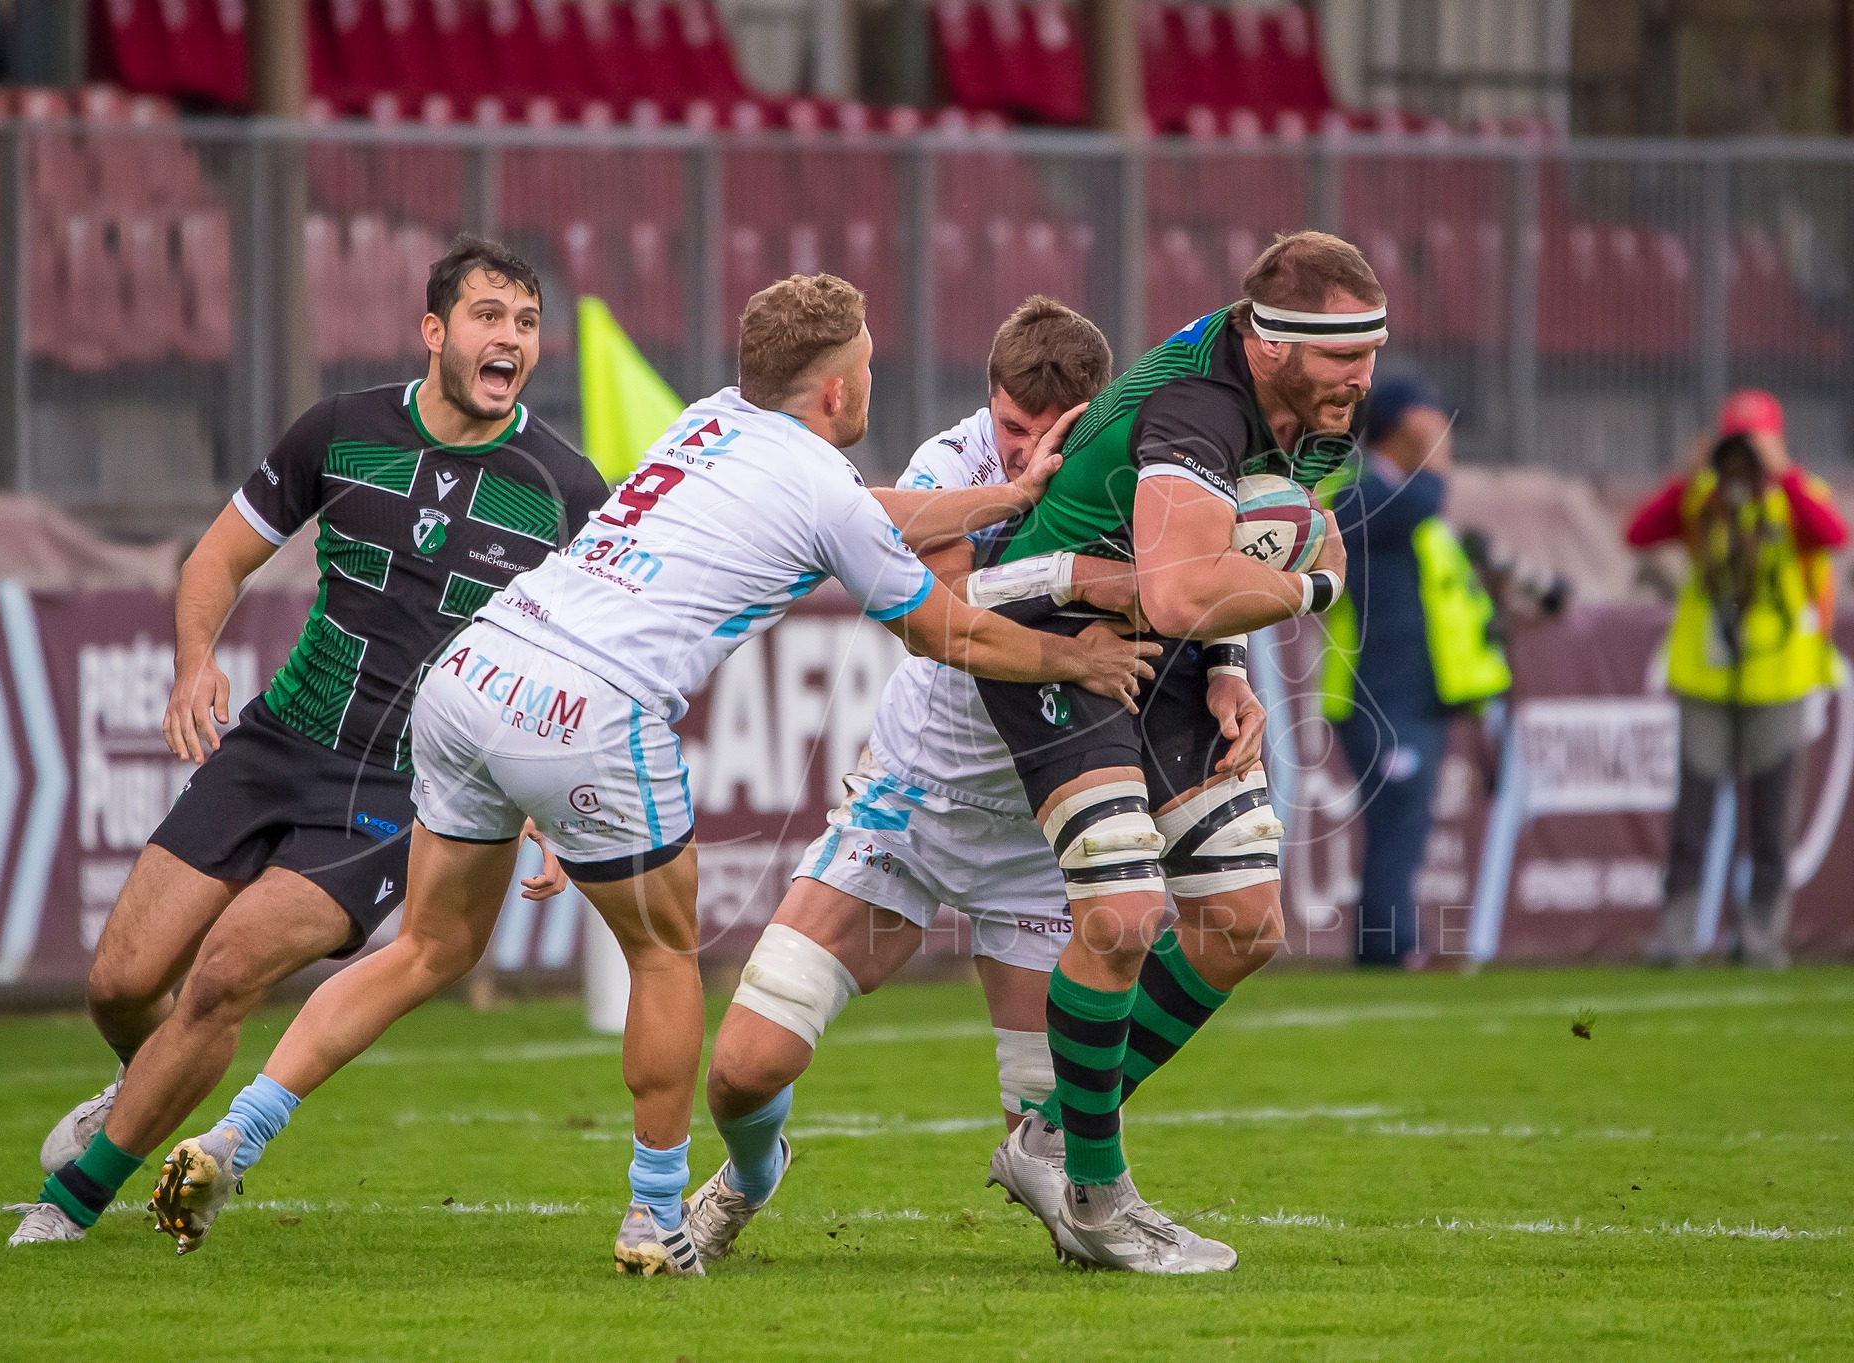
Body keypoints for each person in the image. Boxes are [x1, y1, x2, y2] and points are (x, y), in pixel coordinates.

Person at [150, 274, 1158, 1276]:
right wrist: (1074, 656)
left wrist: (1006, 497)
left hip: (473, 668)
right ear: (837, 390)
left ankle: (238, 1133)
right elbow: (942, 631)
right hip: (593, 708)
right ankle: (655, 1214)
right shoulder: (821, 483)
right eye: (860, 368)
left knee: (426, 946)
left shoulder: (708, 418)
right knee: (664, 958)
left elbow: (868, 512)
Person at [7, 237, 606, 1246]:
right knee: (120, 982)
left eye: (527, 322)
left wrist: (548, 796)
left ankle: (68, 1207)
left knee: (225, 973)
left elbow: (584, 662)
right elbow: (216, 558)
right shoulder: (340, 430)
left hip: (397, 789)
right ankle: (140, 1085)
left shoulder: (566, 490)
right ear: (434, 331)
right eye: (488, 316)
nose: (510, 337)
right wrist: (195, 661)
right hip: (277, 742)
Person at [689, 298, 1258, 1269]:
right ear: (988, 403)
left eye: (1051, 431)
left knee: (1055, 1147)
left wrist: (1226, 666)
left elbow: (1201, 575)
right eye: (1010, 426)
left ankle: (1101, 1210)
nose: (1026, 450)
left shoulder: (1141, 464)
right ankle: (746, 1174)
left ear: (1097, 413)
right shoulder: (951, 465)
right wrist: (1083, 589)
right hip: (911, 807)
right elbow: (944, 613)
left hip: (1039, 838)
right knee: (744, 1068)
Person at [958, 231, 1382, 1273]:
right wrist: (1313, 591)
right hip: (1050, 632)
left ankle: (1046, 1140)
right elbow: (1191, 585)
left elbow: (1240, 555)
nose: (1362, 375)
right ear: (1271, 344)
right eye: (1341, 354)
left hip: (1167, 646)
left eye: (1371, 350)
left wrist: (1230, 661)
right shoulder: (1197, 405)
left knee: (1243, 922)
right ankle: (1097, 1197)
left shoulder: (1321, 412)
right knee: (1121, 911)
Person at [1628, 389, 1846, 968]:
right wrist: (1687, 479)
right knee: (1692, 817)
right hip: (1707, 679)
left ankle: (1761, 937)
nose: (1744, 457)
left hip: (1780, 679)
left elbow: (1833, 535)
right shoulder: (1704, 498)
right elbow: (1639, 533)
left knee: (1772, 822)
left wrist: (1784, 476)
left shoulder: (1798, 494)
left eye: (1756, 443)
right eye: (1736, 442)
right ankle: (1677, 936)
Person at [1321, 378, 1510, 968]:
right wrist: (1436, 457)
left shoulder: (1400, 494)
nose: (1440, 434)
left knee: (1405, 822)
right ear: (1400, 426)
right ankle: (1391, 947)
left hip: (1419, 693)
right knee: (1396, 820)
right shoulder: (1357, 490)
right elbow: (1420, 503)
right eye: (1429, 422)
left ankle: (1393, 942)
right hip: (1376, 692)